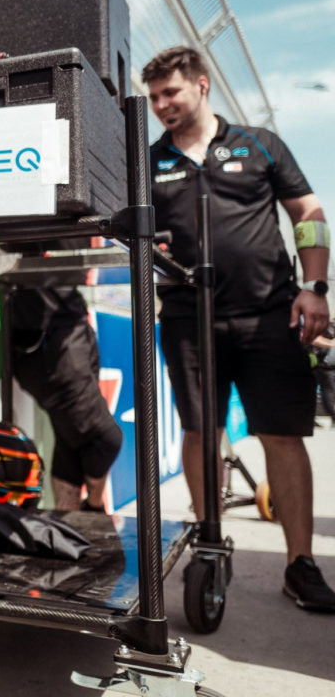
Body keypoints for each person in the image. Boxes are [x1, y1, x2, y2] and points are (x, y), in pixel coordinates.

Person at [143, 45, 335, 612]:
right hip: (187, 317)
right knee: (200, 431)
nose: (161, 105)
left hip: (270, 314)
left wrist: (315, 287)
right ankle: (209, 544)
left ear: (201, 85)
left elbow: (308, 213)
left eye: (171, 92)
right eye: (153, 98)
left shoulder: (259, 144)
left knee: (282, 435)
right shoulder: (148, 161)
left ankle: (300, 565)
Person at [9, 283, 122, 512]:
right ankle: (92, 508)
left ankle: (70, 522)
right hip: (50, 339)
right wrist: (94, 506)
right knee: (105, 438)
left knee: (69, 444)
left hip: (70, 324)